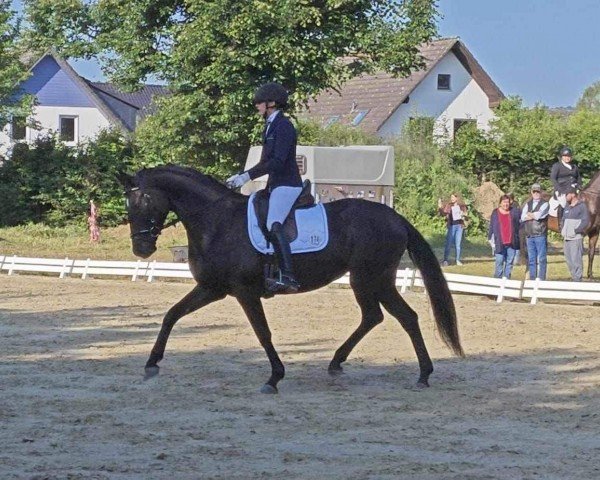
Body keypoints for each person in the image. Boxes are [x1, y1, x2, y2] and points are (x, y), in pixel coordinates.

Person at [226, 82, 303, 293]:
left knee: (273, 223)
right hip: (275, 184)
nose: (257, 106)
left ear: (271, 103)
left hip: (287, 184)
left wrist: (248, 176)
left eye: (259, 102)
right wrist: (242, 176)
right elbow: (264, 162)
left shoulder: (283, 126)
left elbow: (277, 162)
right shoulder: (269, 126)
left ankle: (288, 277)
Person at [520, 183, 549, 280]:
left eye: (538, 191)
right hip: (529, 235)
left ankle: (541, 279)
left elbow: (539, 216)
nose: (536, 193)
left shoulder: (545, 204)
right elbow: (522, 217)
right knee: (531, 259)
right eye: (534, 191)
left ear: (540, 192)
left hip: (540, 234)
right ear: (531, 192)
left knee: (541, 259)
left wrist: (530, 214)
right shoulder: (527, 204)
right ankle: (532, 279)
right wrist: (532, 215)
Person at [560, 186, 590, 282]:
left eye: (566, 194)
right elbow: (563, 220)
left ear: (573, 194)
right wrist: (563, 229)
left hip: (576, 238)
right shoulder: (567, 207)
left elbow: (585, 221)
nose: (565, 196)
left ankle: (577, 280)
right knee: (569, 260)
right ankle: (574, 278)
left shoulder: (582, 206)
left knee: (576, 260)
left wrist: (575, 230)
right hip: (566, 238)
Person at [488, 194, 521, 279]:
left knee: (509, 263)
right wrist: (490, 238)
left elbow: (519, 224)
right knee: (499, 262)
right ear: (500, 203)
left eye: (507, 202)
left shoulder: (514, 212)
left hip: (511, 242)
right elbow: (491, 226)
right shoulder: (495, 213)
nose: (506, 204)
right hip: (500, 242)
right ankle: (497, 282)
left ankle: (507, 281)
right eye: (504, 202)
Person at [549, 146, 582, 216]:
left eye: (569, 156)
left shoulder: (574, 166)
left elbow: (578, 177)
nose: (567, 158)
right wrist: (559, 189)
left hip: (574, 189)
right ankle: (561, 221)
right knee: (563, 203)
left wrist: (579, 186)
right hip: (562, 189)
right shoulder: (557, 166)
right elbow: (553, 178)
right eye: (565, 156)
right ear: (562, 157)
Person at [438, 193, 467, 266]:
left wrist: (463, 214)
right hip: (451, 226)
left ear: (457, 198)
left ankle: (457, 260)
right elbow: (443, 213)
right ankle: (445, 260)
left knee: (458, 244)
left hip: (459, 226)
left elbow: (466, 215)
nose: (452, 199)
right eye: (451, 197)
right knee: (449, 243)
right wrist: (440, 207)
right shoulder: (449, 206)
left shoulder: (462, 206)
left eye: (453, 197)